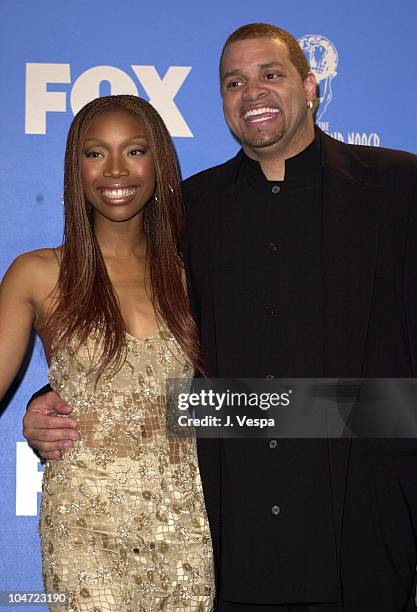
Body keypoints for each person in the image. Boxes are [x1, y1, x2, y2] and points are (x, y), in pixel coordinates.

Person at [22, 23, 417, 612]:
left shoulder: (399, 189)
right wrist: (49, 397)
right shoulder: (191, 211)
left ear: (311, 87)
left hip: (365, 534)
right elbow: (144, 336)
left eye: (270, 75)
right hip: (231, 545)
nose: (251, 92)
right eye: (234, 82)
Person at [1, 95, 214, 611]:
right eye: (96, 153)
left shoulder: (197, 276)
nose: (115, 170)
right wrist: (41, 407)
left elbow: (244, 395)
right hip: (84, 526)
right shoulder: (37, 272)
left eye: (134, 151)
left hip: (187, 522)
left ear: (158, 161)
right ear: (76, 167)